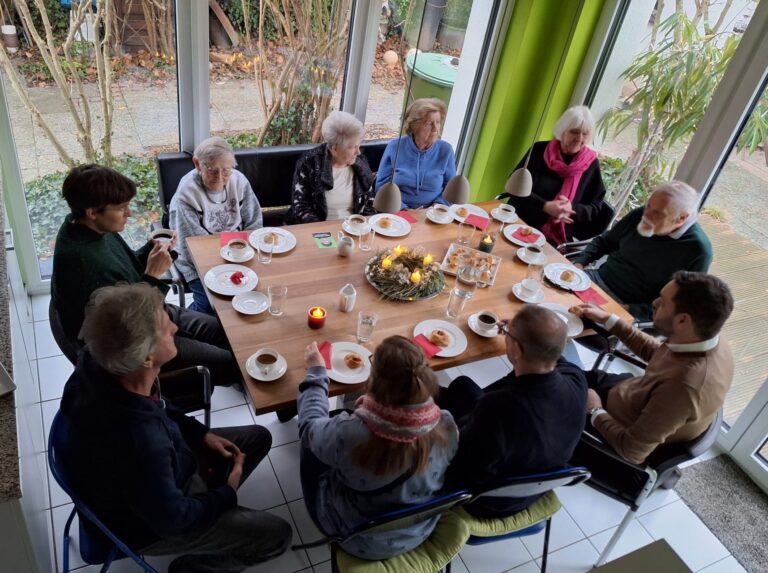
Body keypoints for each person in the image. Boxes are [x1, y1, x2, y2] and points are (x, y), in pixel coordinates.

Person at [59, 284, 292, 573]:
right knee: (278, 536)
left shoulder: (101, 364)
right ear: (145, 357)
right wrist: (227, 494)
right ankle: (195, 567)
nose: (173, 326)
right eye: (164, 324)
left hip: (159, 477)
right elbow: (174, 519)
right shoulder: (139, 441)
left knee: (257, 438)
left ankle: (209, 496)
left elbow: (159, 406)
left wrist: (199, 433)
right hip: (150, 526)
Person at [51, 164, 241, 385]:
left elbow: (121, 271)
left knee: (230, 333)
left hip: (155, 312)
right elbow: (133, 323)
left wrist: (148, 252)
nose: (129, 213)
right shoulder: (82, 262)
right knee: (233, 363)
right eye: (121, 208)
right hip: (139, 340)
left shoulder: (89, 227)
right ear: (92, 212)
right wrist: (153, 274)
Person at [297, 336, 458, 560]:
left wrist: (316, 371)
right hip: (417, 531)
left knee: (310, 446)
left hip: (357, 537)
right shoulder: (447, 424)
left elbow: (308, 426)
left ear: (375, 381)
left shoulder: (351, 434)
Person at [439, 305, 587, 517]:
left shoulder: (498, 407)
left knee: (439, 418)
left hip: (489, 500)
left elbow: (466, 474)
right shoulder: (575, 378)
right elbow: (547, 348)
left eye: (506, 335)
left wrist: (453, 431)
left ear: (517, 350)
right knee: (462, 386)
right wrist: (520, 332)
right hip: (534, 483)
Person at [573, 270, 734, 465]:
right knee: (560, 370)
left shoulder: (684, 387)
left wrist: (595, 412)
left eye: (663, 302)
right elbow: (660, 354)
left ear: (683, 320)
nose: (654, 303)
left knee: (543, 381)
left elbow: (632, 451)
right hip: (629, 394)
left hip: (613, 425)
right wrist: (610, 320)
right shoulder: (707, 340)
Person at [572, 181, 713, 321]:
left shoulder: (698, 250)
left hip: (631, 309)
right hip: (597, 281)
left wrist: (622, 311)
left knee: (567, 325)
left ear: (681, 218)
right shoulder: (641, 214)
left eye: (657, 214)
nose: (646, 215)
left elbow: (677, 306)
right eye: (648, 206)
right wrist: (579, 265)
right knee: (555, 300)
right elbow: (605, 241)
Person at [170, 136, 263, 315]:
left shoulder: (239, 181)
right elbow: (195, 245)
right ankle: (178, 325)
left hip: (239, 253)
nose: (220, 178)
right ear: (197, 164)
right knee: (211, 304)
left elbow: (254, 221)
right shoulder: (186, 194)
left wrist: (244, 254)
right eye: (213, 171)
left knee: (257, 290)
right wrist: (231, 260)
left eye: (226, 171)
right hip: (196, 260)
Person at [508, 105, 607, 245]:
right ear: (562, 131)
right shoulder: (538, 150)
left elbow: (595, 207)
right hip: (523, 221)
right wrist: (545, 206)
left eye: (585, 133)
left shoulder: (591, 164)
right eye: (574, 132)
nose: (579, 138)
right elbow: (515, 189)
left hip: (557, 238)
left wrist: (570, 208)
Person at [288, 111, 376, 224]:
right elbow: (300, 207)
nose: (358, 152)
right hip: (319, 230)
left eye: (359, 145)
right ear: (335, 149)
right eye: (353, 147)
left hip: (353, 229)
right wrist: (325, 232)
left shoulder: (360, 163)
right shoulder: (309, 163)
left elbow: (370, 202)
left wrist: (361, 227)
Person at [375, 98, 457, 209]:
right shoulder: (395, 146)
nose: (435, 129)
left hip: (434, 212)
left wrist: (435, 207)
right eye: (429, 123)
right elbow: (381, 186)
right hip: (396, 210)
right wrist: (404, 209)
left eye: (437, 122)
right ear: (414, 126)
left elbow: (451, 188)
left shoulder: (446, 150)